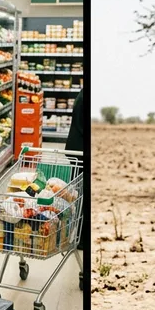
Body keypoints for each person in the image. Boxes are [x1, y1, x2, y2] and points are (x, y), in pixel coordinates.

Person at [65, 89, 84, 251]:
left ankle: (79, 235)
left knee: (80, 194)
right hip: (80, 153)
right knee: (82, 195)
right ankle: (81, 238)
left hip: (77, 151)